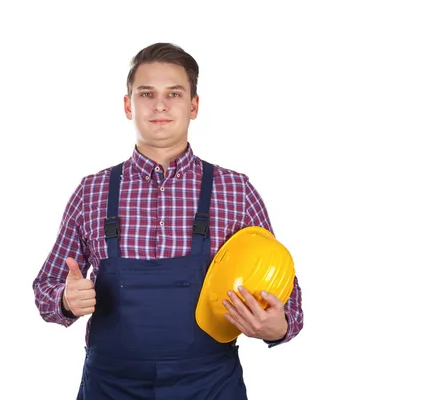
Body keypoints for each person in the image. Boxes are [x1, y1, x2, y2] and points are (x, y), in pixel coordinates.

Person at [32, 42, 304, 399]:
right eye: (147, 93)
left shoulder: (236, 192)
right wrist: (66, 301)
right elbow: (46, 287)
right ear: (128, 105)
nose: (159, 105)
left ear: (194, 105)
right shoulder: (92, 192)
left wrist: (275, 327)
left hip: (209, 387)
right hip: (111, 388)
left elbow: (290, 304)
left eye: (173, 94)